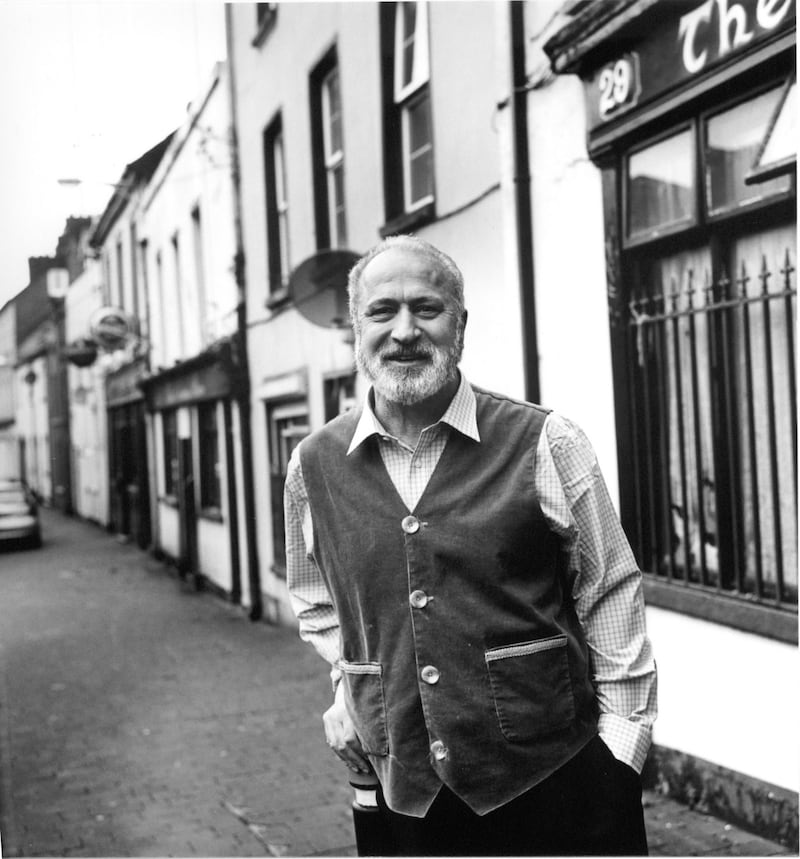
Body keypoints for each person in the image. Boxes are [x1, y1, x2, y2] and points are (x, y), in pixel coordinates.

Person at [284, 235, 657, 856]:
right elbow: (321, 605)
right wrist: (349, 689)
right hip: (408, 789)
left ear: (460, 322)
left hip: (557, 782)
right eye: (382, 311)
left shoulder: (546, 440)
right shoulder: (313, 464)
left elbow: (610, 590)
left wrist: (620, 755)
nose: (405, 330)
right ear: (355, 326)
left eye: (427, 308)